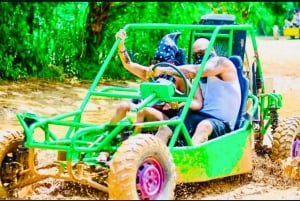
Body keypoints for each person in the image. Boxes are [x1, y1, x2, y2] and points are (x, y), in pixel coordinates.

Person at [97, 29, 188, 162]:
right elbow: (128, 64)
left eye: (162, 62)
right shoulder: (151, 73)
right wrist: (121, 44)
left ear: (172, 62)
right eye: (156, 61)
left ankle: (129, 155)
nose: (158, 64)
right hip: (144, 109)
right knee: (123, 106)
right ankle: (105, 149)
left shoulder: (179, 77)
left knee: (141, 110)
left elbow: (187, 100)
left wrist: (176, 102)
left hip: (165, 118)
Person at [152, 37, 242, 145]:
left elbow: (196, 71)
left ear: (212, 50)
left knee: (204, 126)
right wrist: (181, 103)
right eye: (196, 55)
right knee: (165, 127)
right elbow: (197, 102)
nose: (199, 57)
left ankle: (190, 159)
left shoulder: (223, 64)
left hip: (222, 123)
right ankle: (154, 158)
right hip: (201, 115)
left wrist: (164, 70)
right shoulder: (200, 79)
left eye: (202, 52)